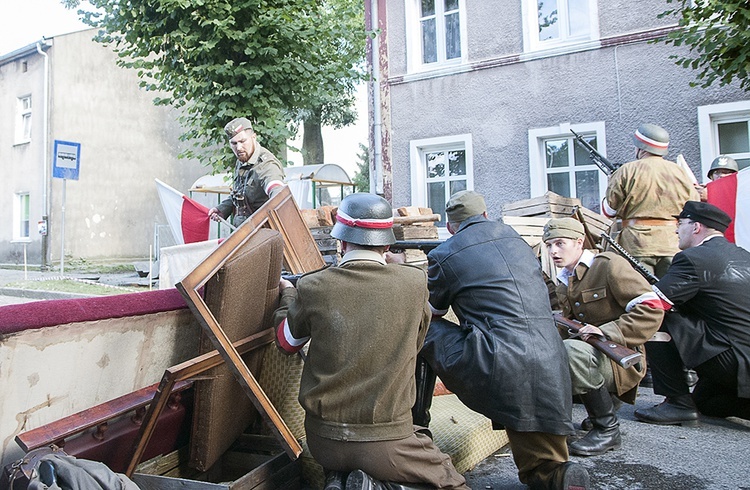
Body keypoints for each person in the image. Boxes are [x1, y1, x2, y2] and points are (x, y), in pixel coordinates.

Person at [272, 193, 468, 490]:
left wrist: (288, 295)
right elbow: (415, 346)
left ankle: (341, 477)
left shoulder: (313, 285)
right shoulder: (415, 283)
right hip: (388, 442)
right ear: (387, 244)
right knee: (452, 482)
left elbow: (286, 343)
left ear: (341, 242)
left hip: (324, 441)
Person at [420, 191, 590, 490]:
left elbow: (434, 312)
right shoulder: (518, 242)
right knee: (539, 451)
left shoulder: (443, 254)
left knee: (420, 328)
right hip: (550, 354)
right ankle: (558, 474)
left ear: (450, 227)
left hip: (496, 358)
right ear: (486, 216)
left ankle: (415, 425)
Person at [543, 218, 664, 456]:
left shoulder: (608, 265)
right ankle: (601, 405)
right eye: (548, 245)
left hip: (623, 359)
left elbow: (652, 307)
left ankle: (607, 429)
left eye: (559, 243)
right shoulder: (565, 279)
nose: (553, 251)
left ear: (579, 242)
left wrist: (607, 331)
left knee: (571, 353)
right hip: (596, 354)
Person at [634, 201, 750, 425]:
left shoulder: (693, 258)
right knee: (705, 402)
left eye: (680, 223)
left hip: (735, 362)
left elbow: (654, 303)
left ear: (696, 227)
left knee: (655, 317)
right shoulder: (744, 255)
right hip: (742, 361)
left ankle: (677, 403)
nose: (676, 230)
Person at [602, 123, 699, 278]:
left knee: (641, 296)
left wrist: (612, 182)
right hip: (672, 243)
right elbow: (694, 207)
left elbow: (608, 211)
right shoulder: (680, 172)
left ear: (641, 147)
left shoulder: (626, 170)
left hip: (636, 245)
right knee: (671, 295)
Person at [208, 117, 286, 227]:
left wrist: (277, 194)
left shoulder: (267, 165)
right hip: (243, 231)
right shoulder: (242, 160)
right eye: (234, 143)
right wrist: (222, 209)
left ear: (253, 137)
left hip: (262, 233)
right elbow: (240, 194)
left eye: (243, 141)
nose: (239, 148)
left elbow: (277, 190)